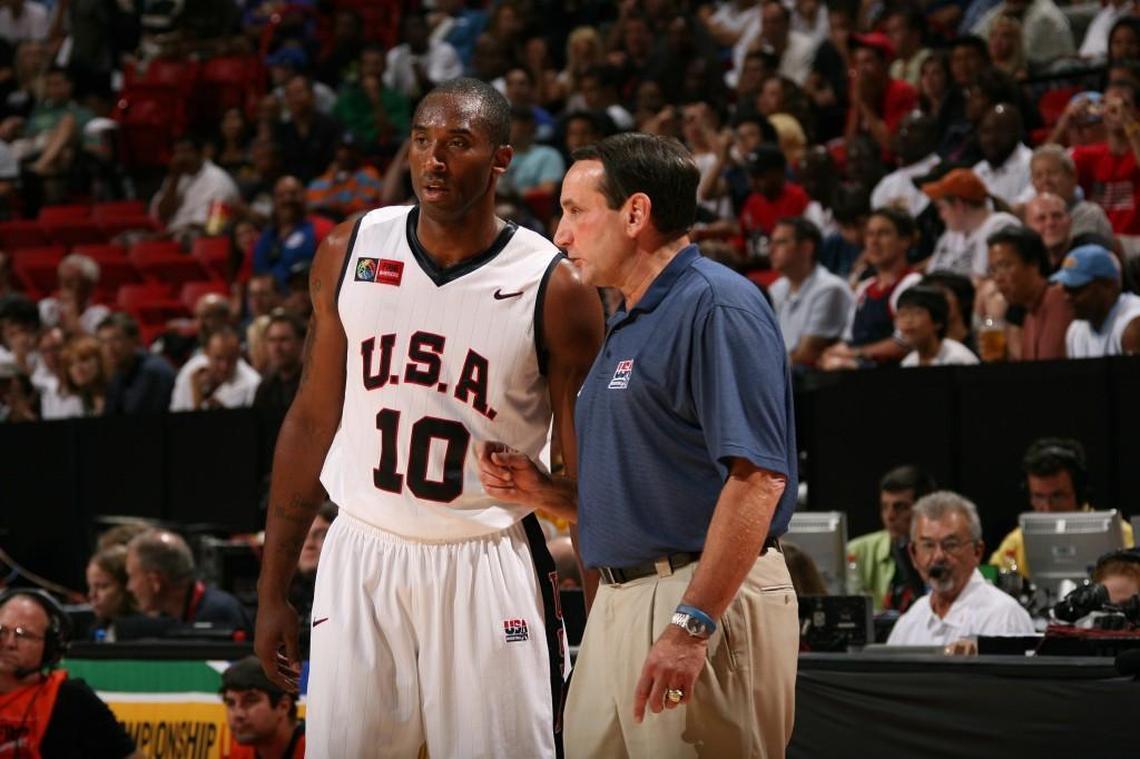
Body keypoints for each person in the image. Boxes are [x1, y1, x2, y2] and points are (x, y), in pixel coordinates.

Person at [254, 78, 604, 758]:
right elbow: (309, 421)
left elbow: (581, 474)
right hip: (362, 551)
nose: (434, 160)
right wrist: (273, 590)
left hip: (485, 559)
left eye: (458, 143)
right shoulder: (351, 248)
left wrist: (608, 620)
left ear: (501, 160)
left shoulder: (554, 285)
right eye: (421, 141)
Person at [484, 132, 800, 756]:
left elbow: (759, 478)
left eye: (576, 211)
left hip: (697, 598)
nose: (561, 234)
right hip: (619, 604)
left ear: (635, 214)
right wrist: (546, 492)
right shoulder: (630, 317)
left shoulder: (716, 306)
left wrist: (693, 623)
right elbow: (657, 493)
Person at [0, 589, 141, 757]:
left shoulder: (73, 700)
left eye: (23, 635)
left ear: (50, 647)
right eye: (2, 630)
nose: (9, 643)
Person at [887, 492, 1035, 648]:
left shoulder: (1004, 617)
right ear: (913, 555)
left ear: (977, 551)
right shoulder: (909, 622)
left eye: (950, 545)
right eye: (928, 545)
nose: (938, 556)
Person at [989, 438, 1135, 576]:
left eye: (1057, 496)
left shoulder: (1122, 536)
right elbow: (990, 582)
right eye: (1039, 496)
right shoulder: (1017, 542)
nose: (1047, 507)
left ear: (1080, 492)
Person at [820, 208, 923, 368]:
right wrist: (834, 353)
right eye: (869, 234)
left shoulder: (912, 283)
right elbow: (849, 339)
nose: (873, 241)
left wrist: (856, 354)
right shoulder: (864, 287)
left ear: (905, 240)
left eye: (883, 233)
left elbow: (904, 344)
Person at [124, 529, 252, 635]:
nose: (129, 587)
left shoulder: (221, 615)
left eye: (131, 577)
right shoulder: (169, 617)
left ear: (155, 581)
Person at [848, 465, 936, 612]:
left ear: (925, 509)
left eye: (900, 507)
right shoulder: (858, 551)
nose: (890, 516)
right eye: (884, 507)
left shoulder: (940, 553)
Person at [768, 216, 852, 366]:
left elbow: (807, 354)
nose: (771, 250)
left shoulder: (830, 288)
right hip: (781, 373)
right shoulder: (776, 289)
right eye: (771, 242)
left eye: (781, 242)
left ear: (806, 247)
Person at [986, 226, 1072, 360]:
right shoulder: (1030, 312)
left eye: (1005, 266)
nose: (998, 278)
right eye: (993, 269)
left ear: (1033, 264)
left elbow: (1051, 373)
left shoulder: (1059, 300)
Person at [922, 168, 1020, 278]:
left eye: (941, 208)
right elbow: (930, 274)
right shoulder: (952, 234)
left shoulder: (999, 226)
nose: (940, 216)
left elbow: (981, 280)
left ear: (959, 205)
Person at [1051, 244, 1140, 357]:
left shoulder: (1134, 325)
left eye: (1076, 289)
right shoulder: (1075, 331)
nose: (1067, 297)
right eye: (1066, 289)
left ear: (1108, 286)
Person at [149, 133, 241, 237]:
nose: (180, 158)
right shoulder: (177, 177)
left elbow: (211, 227)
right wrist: (174, 179)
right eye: (177, 153)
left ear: (201, 153)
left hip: (202, 241)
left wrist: (162, 237)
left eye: (186, 152)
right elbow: (162, 215)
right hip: (172, 236)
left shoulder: (218, 180)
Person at [221, 657, 305, 759]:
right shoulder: (240, 751)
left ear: (283, 706)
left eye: (250, 701)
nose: (238, 714)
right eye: (231, 703)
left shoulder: (317, 749)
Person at [97, 313, 175, 415]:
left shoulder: (153, 371)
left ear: (134, 340)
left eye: (116, 339)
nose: (109, 348)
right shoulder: (118, 372)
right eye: (103, 342)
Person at [897, 285, 980, 366]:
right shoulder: (908, 363)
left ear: (937, 322)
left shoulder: (958, 360)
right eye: (902, 314)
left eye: (917, 313)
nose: (908, 321)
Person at [973, 103, 1033, 205]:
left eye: (1000, 130)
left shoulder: (1032, 164)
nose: (990, 138)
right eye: (986, 131)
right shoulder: (978, 170)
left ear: (1016, 132)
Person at [37, 254, 110, 337]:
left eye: (70, 282)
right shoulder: (47, 306)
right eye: (62, 280)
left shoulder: (100, 315)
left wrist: (71, 314)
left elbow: (93, 347)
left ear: (89, 287)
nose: (64, 287)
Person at [253, 309, 305, 412]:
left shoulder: (311, 385)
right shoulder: (266, 387)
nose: (277, 348)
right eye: (272, 340)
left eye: (283, 340)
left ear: (300, 343)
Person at [86, 544, 137, 641]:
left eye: (102, 586)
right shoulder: (98, 628)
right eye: (90, 587)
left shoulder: (145, 629)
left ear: (126, 586)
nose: (92, 595)